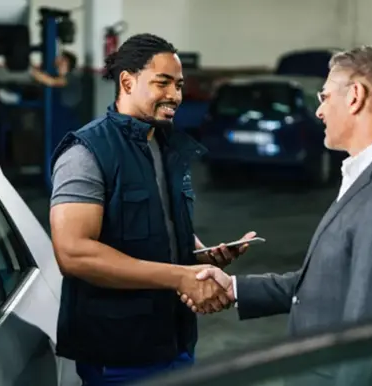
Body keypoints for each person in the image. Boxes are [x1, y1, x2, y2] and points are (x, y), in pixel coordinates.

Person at [181, 46, 372, 385]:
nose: (318, 111)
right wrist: (235, 288)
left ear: (355, 97)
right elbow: (331, 283)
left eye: (325, 96)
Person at [49, 33, 253, 386]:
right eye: (163, 83)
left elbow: (162, 224)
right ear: (127, 81)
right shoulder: (87, 152)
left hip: (175, 340)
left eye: (179, 84)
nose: (175, 94)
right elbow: (74, 254)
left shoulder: (165, 144)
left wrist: (200, 255)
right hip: (119, 351)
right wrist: (179, 276)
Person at [31, 50, 82, 147]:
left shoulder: (71, 77)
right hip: (58, 118)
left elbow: (51, 82)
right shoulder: (57, 76)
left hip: (67, 119)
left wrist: (32, 71)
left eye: (61, 59)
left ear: (66, 62)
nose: (57, 61)